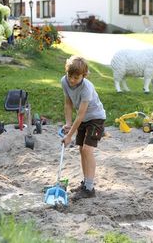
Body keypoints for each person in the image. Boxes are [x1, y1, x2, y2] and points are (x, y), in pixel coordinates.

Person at [61, 55, 106, 200]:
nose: (72, 80)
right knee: (81, 150)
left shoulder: (87, 88)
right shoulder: (64, 81)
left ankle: (90, 188)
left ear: (83, 75)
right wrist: (68, 124)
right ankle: (85, 184)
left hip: (95, 118)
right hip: (83, 119)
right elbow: (68, 103)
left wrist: (69, 136)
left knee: (87, 149)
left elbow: (80, 115)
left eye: (76, 77)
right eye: (70, 76)